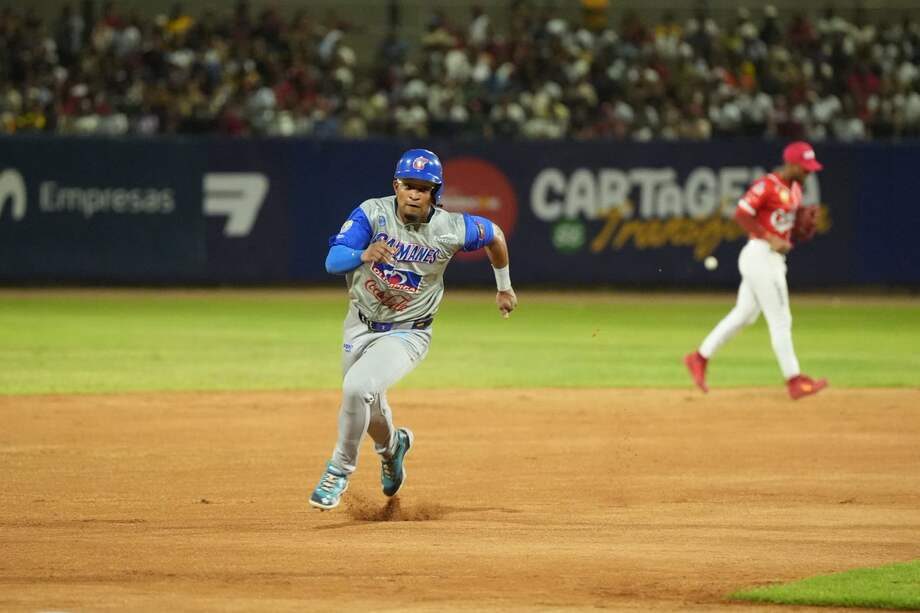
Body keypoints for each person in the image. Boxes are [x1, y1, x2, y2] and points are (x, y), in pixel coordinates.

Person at [309, 148, 517, 510]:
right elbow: (332, 260)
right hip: (359, 325)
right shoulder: (372, 214)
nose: (415, 194)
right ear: (396, 186)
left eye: (424, 187)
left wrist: (504, 286)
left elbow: (495, 234)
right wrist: (362, 254)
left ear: (435, 192)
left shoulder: (451, 228)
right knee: (369, 408)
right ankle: (393, 447)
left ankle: (339, 470)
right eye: (409, 185)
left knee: (357, 388)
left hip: (409, 331)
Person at [684, 141, 828, 400]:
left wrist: (798, 228)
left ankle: (699, 357)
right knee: (781, 320)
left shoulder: (796, 189)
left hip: (772, 259)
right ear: (791, 164)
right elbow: (742, 214)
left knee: (745, 314)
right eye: (805, 167)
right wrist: (769, 237)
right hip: (760, 256)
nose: (809, 172)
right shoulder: (767, 185)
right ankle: (794, 380)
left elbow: (785, 225)